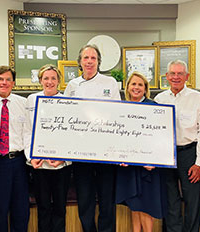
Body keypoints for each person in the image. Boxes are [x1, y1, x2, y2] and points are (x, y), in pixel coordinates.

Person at [64, 44, 121, 232]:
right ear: (80, 62)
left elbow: (117, 114)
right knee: (85, 197)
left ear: (98, 62)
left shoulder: (110, 83)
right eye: (86, 58)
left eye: (93, 58)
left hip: (105, 150)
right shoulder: (72, 85)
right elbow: (66, 114)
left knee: (107, 197)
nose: (89, 61)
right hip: (81, 150)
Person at [154, 60, 200, 232]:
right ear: (167, 77)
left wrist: (199, 163)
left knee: (192, 199)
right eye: (172, 74)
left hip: (189, 153)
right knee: (171, 199)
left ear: (187, 77)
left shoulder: (198, 98)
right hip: (167, 154)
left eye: (180, 74)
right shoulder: (159, 99)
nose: (176, 77)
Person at [116, 72, 167, 232]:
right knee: (134, 204)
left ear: (145, 88)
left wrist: (154, 161)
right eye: (133, 84)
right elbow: (117, 135)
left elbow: (161, 137)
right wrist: (119, 156)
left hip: (148, 167)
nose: (136, 87)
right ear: (128, 87)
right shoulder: (122, 108)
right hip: (129, 166)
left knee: (146, 205)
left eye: (140, 85)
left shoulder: (155, 108)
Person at [0, 66, 30, 232]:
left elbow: (29, 133)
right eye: (0, 79)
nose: (4, 83)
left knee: (21, 209)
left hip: (20, 162)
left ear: (13, 83)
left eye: (8, 79)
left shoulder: (24, 104)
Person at [26, 64, 72, 232]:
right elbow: (28, 131)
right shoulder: (31, 99)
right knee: (43, 207)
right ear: (40, 80)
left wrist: (64, 157)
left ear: (59, 81)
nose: (50, 82)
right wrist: (32, 157)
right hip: (39, 164)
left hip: (61, 165)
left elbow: (73, 133)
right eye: (46, 78)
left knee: (60, 207)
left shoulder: (68, 101)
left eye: (53, 78)